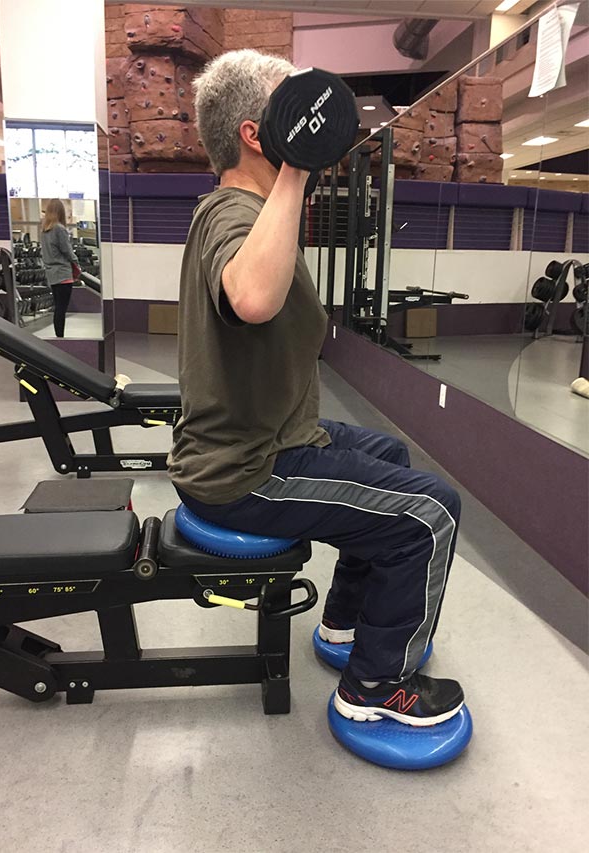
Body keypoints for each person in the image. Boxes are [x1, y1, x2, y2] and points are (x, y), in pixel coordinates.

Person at [168, 50, 464, 727]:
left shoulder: (253, 207)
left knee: (389, 456)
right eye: (288, 105)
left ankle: (343, 625)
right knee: (431, 511)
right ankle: (375, 686)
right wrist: (297, 167)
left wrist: (290, 179)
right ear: (255, 131)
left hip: (275, 439)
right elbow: (249, 297)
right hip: (246, 470)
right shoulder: (232, 214)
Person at [40, 199, 80, 338]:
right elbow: (67, 250)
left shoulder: (45, 230)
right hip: (63, 274)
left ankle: (59, 336)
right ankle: (60, 338)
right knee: (62, 309)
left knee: (58, 308)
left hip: (51, 274)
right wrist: (76, 263)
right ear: (61, 211)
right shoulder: (59, 229)